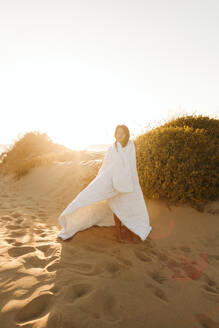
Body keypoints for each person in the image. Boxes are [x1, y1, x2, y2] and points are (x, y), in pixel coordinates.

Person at [57, 124, 152, 242]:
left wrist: (132, 182)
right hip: (114, 182)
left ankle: (129, 231)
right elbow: (107, 166)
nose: (120, 135)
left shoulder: (131, 146)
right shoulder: (112, 148)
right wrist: (105, 180)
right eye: (118, 133)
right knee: (117, 207)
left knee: (129, 207)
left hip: (129, 182)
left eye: (122, 133)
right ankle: (119, 234)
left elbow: (132, 166)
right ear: (115, 134)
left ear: (126, 134)